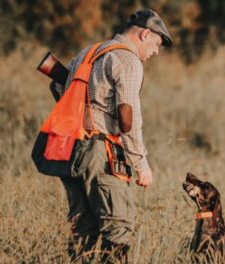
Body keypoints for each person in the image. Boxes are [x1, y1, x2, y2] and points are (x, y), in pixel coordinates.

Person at [49, 9, 172, 263]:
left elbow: (58, 85)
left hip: (69, 149)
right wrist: (141, 164)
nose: (156, 52)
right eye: (157, 44)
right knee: (119, 228)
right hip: (99, 151)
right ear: (145, 34)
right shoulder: (128, 62)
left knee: (83, 230)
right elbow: (128, 121)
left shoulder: (89, 52)